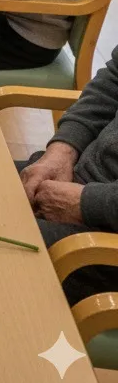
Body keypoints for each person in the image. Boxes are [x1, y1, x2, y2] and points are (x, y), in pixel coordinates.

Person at [17, 44, 118, 306]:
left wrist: (88, 203)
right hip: (82, 180)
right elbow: (112, 81)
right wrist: (63, 150)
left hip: (104, 244)